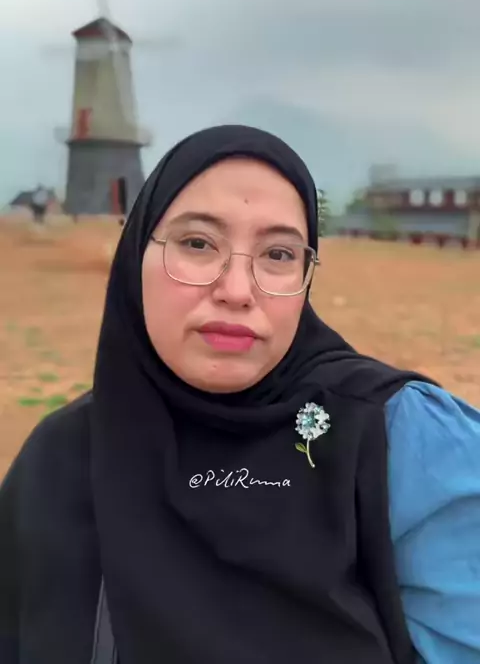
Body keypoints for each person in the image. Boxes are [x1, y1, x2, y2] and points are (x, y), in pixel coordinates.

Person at [0, 124, 479, 664]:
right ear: (136, 256)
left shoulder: (401, 439)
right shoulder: (59, 460)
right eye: (198, 244)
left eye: (279, 254)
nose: (236, 291)